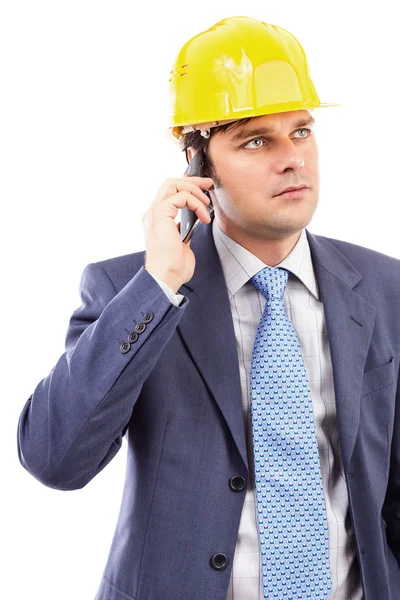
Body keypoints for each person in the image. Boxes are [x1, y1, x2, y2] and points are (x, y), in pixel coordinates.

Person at [17, 15, 400, 600]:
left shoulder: (382, 286)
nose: (292, 159)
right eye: (256, 140)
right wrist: (158, 285)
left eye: (301, 131)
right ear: (197, 162)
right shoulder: (130, 289)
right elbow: (54, 459)